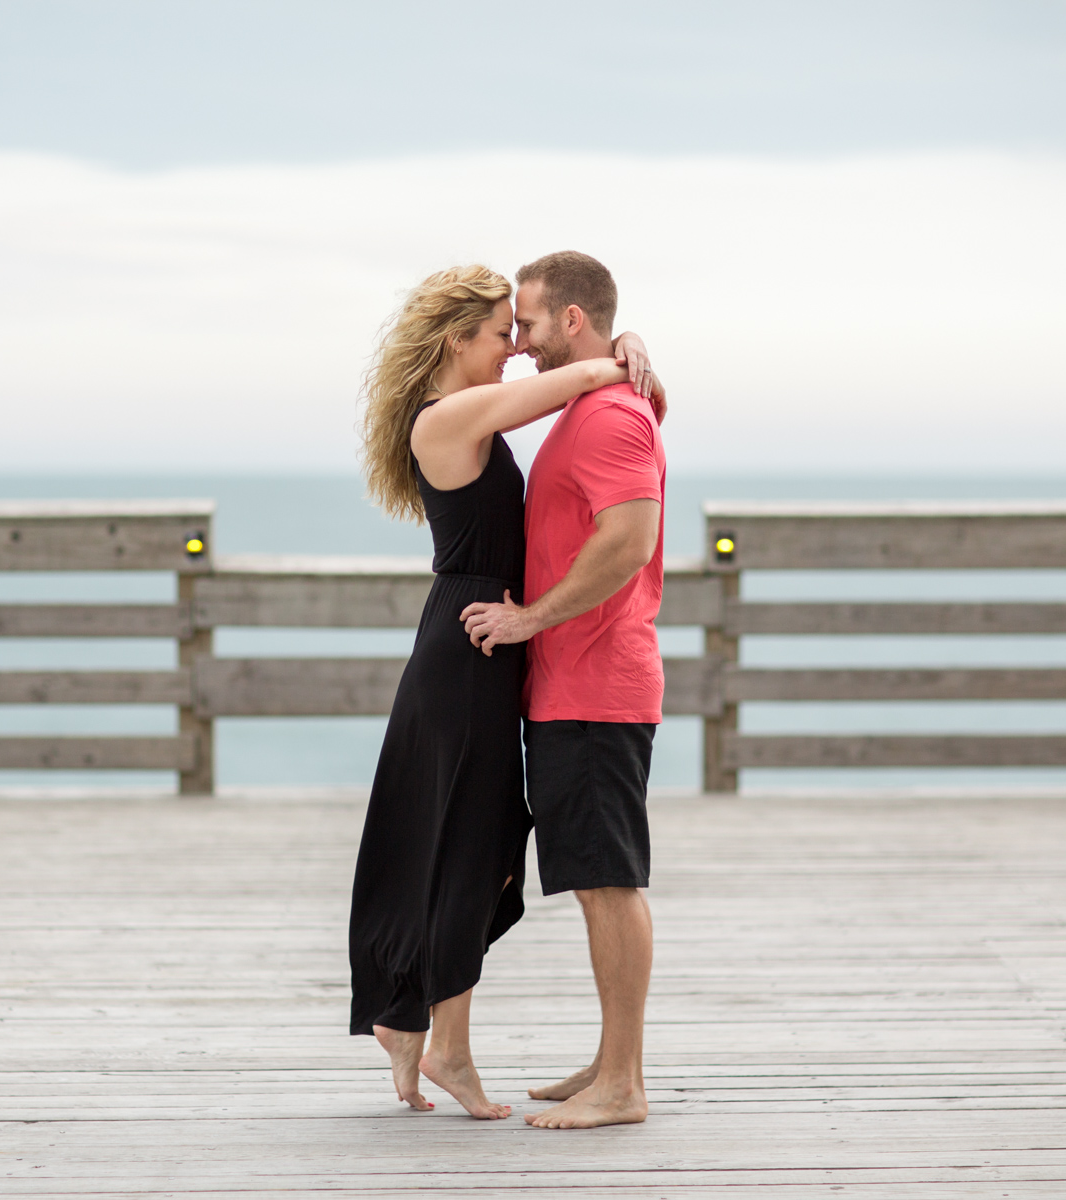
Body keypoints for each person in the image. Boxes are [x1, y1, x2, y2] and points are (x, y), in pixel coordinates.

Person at [350, 263, 663, 1120]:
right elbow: (579, 373)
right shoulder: (449, 417)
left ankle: (423, 1030)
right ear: (459, 341)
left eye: (523, 329)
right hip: (471, 644)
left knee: (482, 844)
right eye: (501, 333)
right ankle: (428, 1031)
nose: (514, 347)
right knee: (463, 840)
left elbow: (588, 383)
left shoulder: (483, 416)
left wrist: (624, 351)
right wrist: (621, 353)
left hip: (493, 643)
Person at [461, 251, 667, 1130]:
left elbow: (626, 541)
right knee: (592, 880)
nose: (521, 343)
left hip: (596, 687)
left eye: (531, 323)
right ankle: (609, 1060)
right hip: (569, 689)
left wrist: (529, 619)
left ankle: (624, 1083)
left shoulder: (613, 416)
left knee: (608, 882)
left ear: (573, 322)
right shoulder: (594, 401)